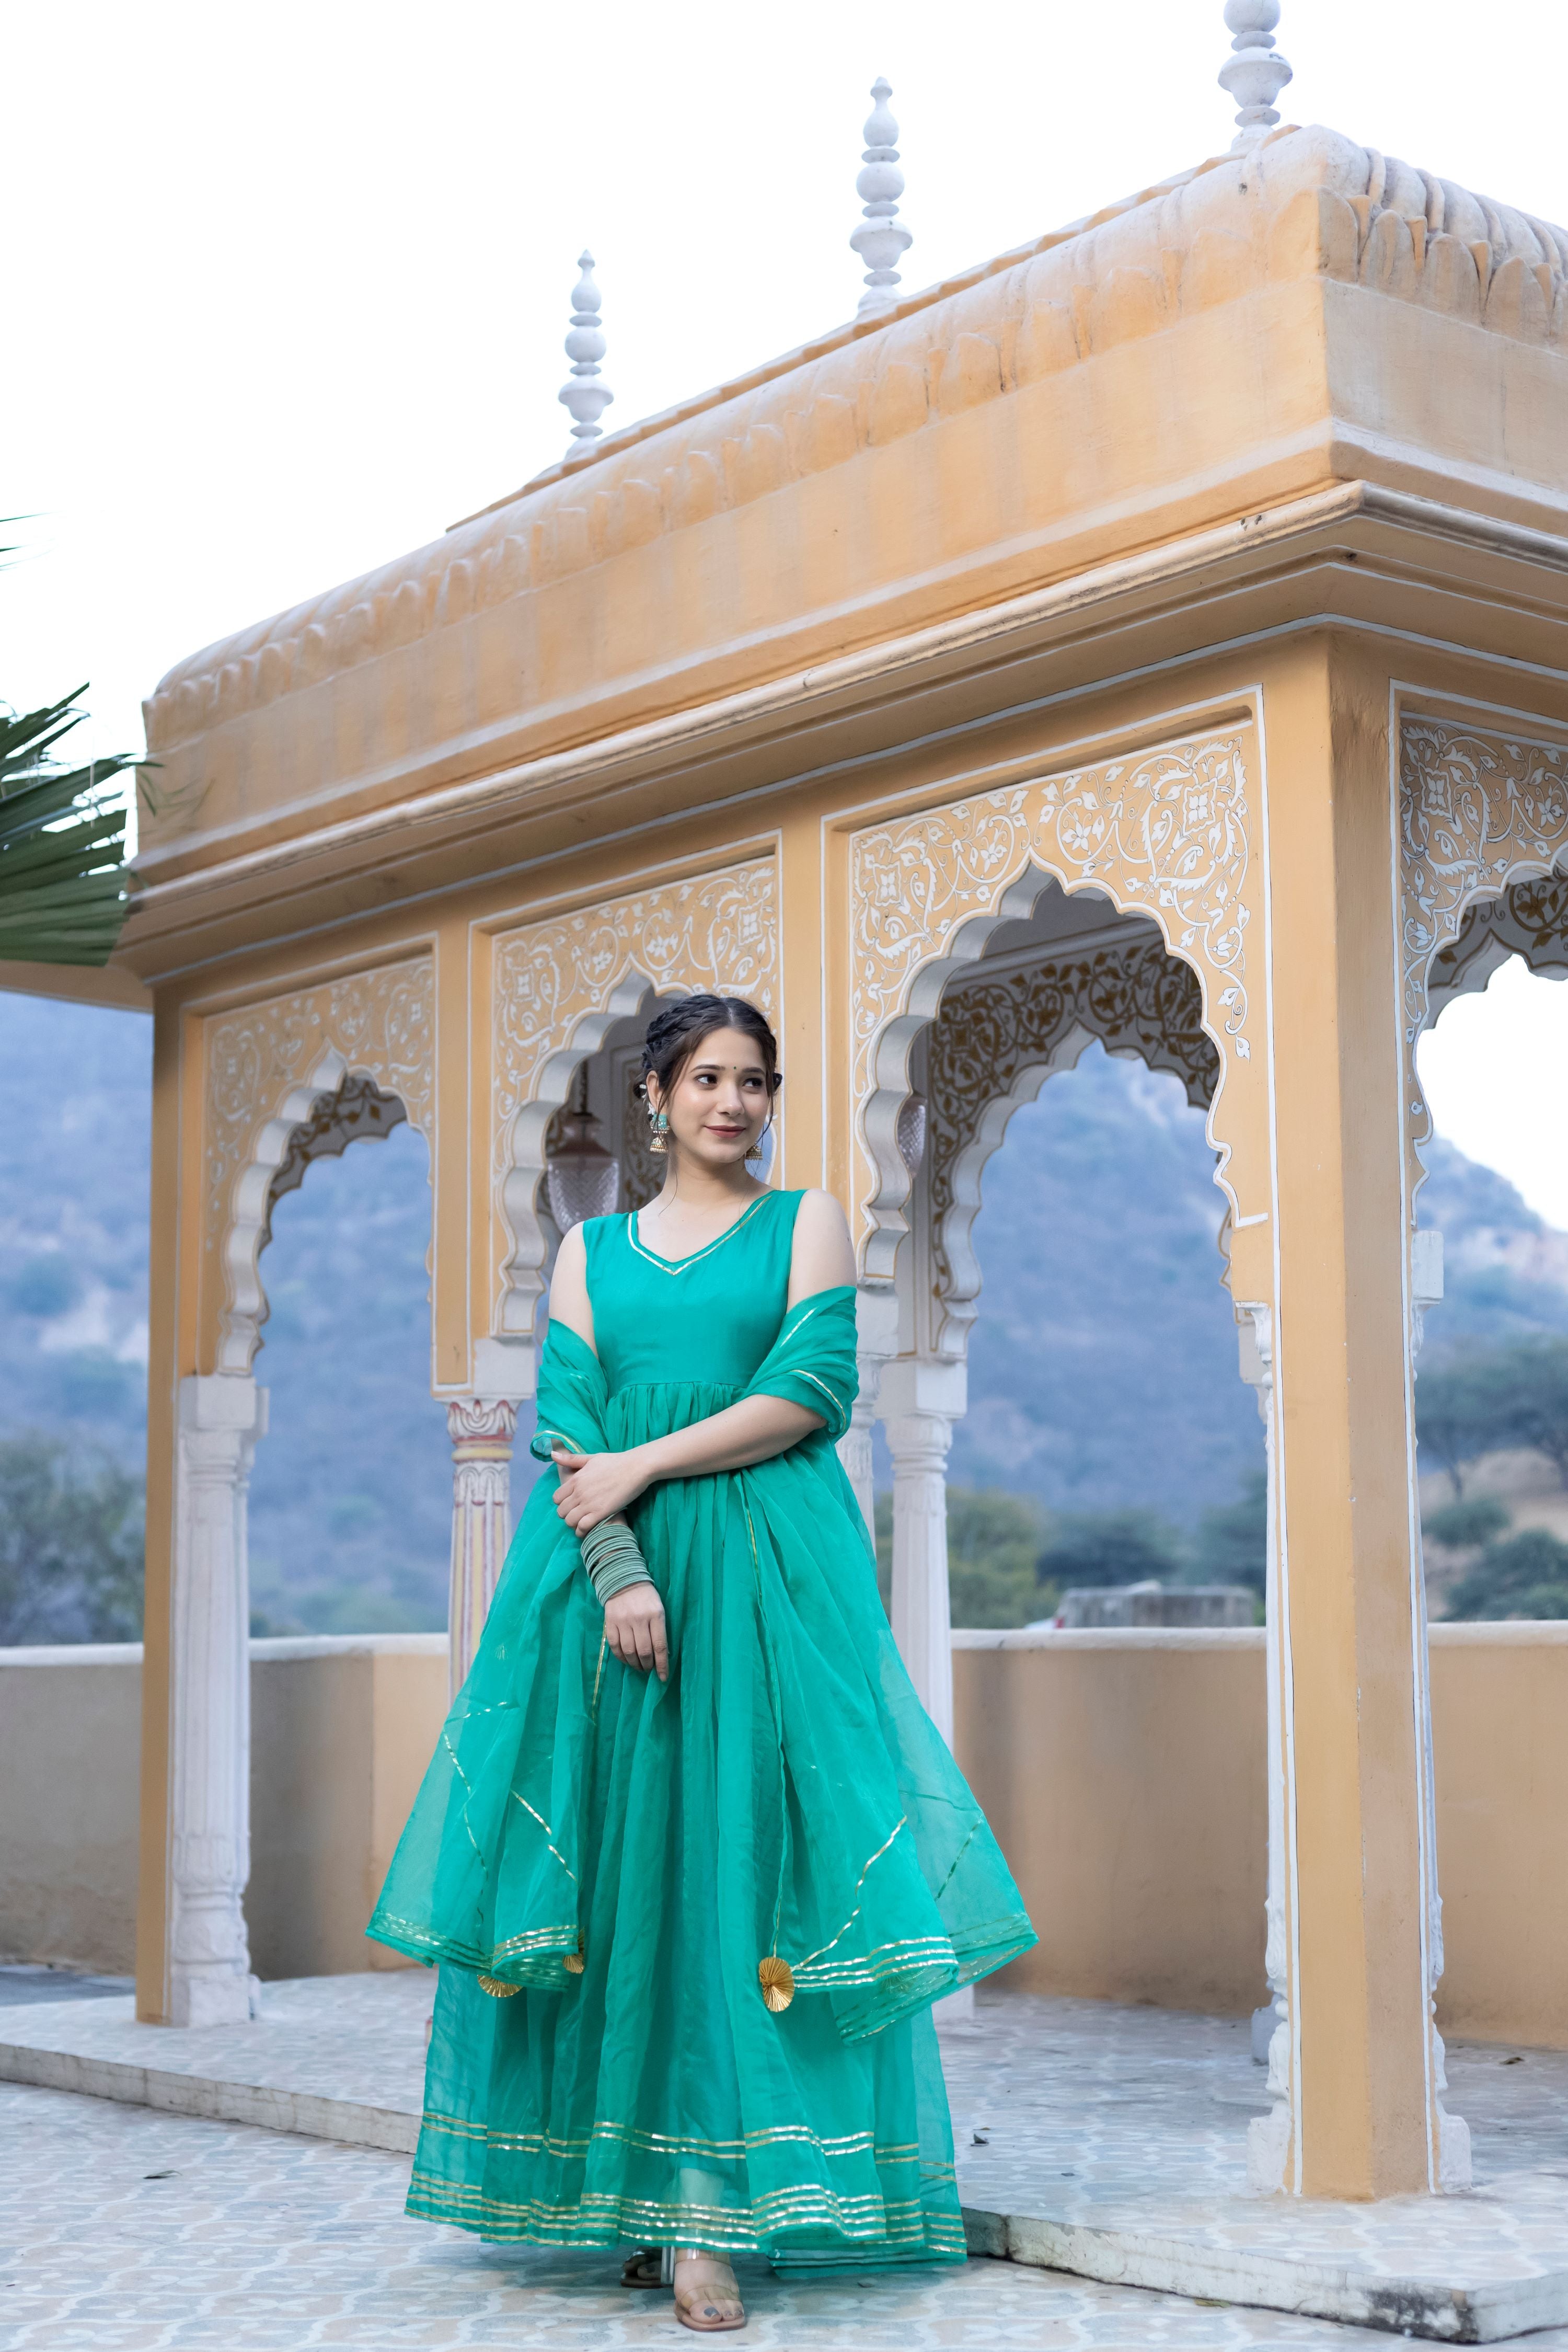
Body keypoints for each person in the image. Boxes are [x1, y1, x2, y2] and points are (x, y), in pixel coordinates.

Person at [369, 993, 1034, 2334]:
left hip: (767, 1586)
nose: (735, 1104)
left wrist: (645, 1465)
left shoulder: (808, 1226)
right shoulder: (590, 1251)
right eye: (709, 1080)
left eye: (755, 1082)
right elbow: (564, 1424)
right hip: (607, 1596)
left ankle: (708, 2214)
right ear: (657, 1098)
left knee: (740, 1877)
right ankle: (625, 2194)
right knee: (626, 1882)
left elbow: (812, 1393)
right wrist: (620, 1569)